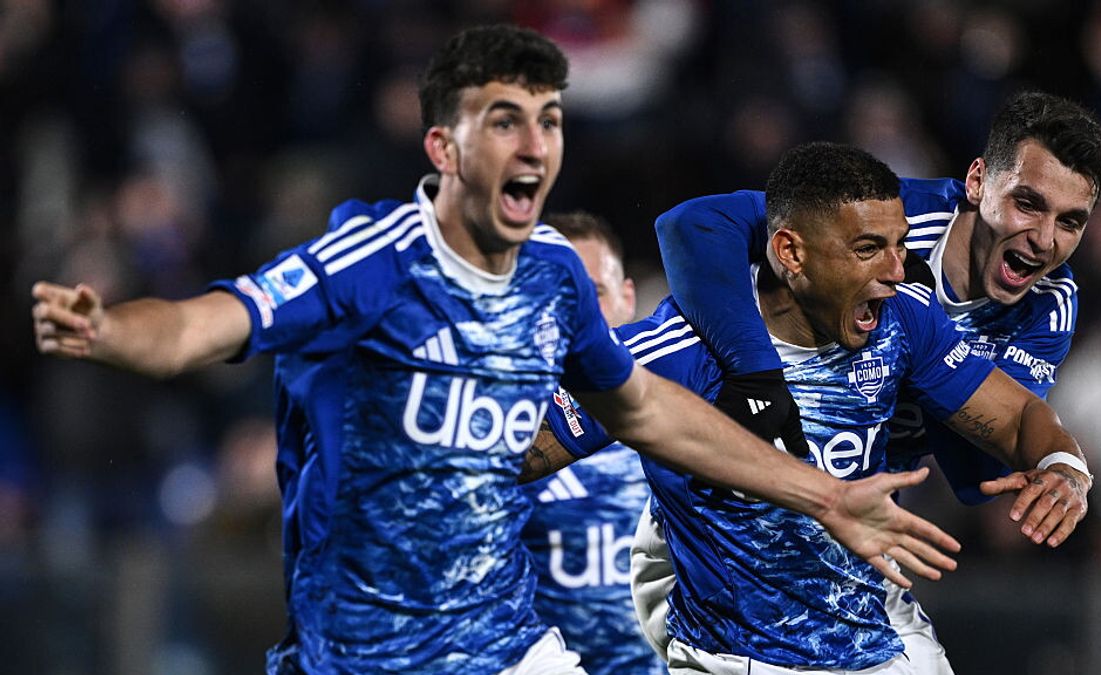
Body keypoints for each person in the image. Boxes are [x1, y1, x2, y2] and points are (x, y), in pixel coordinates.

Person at [31, 25, 960, 674]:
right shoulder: (369, 263)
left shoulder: (555, 275)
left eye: (549, 119)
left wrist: (824, 494)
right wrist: (109, 327)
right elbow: (198, 326)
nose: (535, 144)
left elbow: (642, 407)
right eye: (505, 119)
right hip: (360, 652)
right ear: (444, 146)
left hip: (510, 646)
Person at [538, 142, 1094, 674]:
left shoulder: (902, 319)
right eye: (867, 249)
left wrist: (1065, 468)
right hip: (750, 654)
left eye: (900, 246)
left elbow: (1017, 417)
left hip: (872, 626)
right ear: (791, 254)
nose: (896, 270)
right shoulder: (677, 353)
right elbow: (517, 447)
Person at [519, 211, 665, 674]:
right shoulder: (498, 439)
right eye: (554, 294)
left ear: (627, 298)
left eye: (593, 294)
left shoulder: (681, 417)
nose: (575, 314)